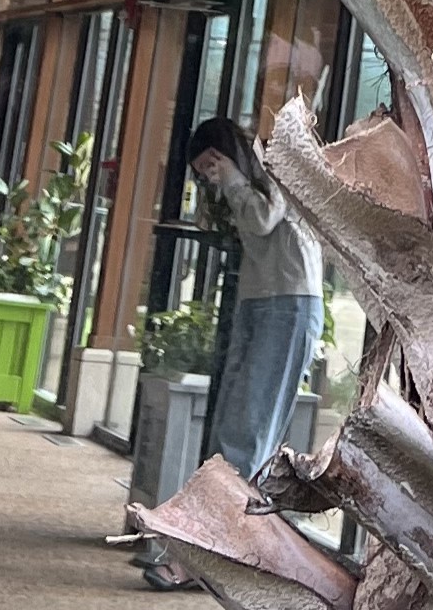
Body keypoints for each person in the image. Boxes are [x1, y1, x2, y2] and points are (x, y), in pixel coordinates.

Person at [138, 117, 324, 590]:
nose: (209, 176)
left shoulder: (275, 167)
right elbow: (219, 227)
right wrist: (215, 191)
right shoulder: (238, 184)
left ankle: (197, 558)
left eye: (211, 166)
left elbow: (263, 219)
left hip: (289, 303)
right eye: (201, 171)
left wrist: (234, 181)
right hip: (259, 303)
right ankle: (217, 556)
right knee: (234, 435)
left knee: (245, 436)